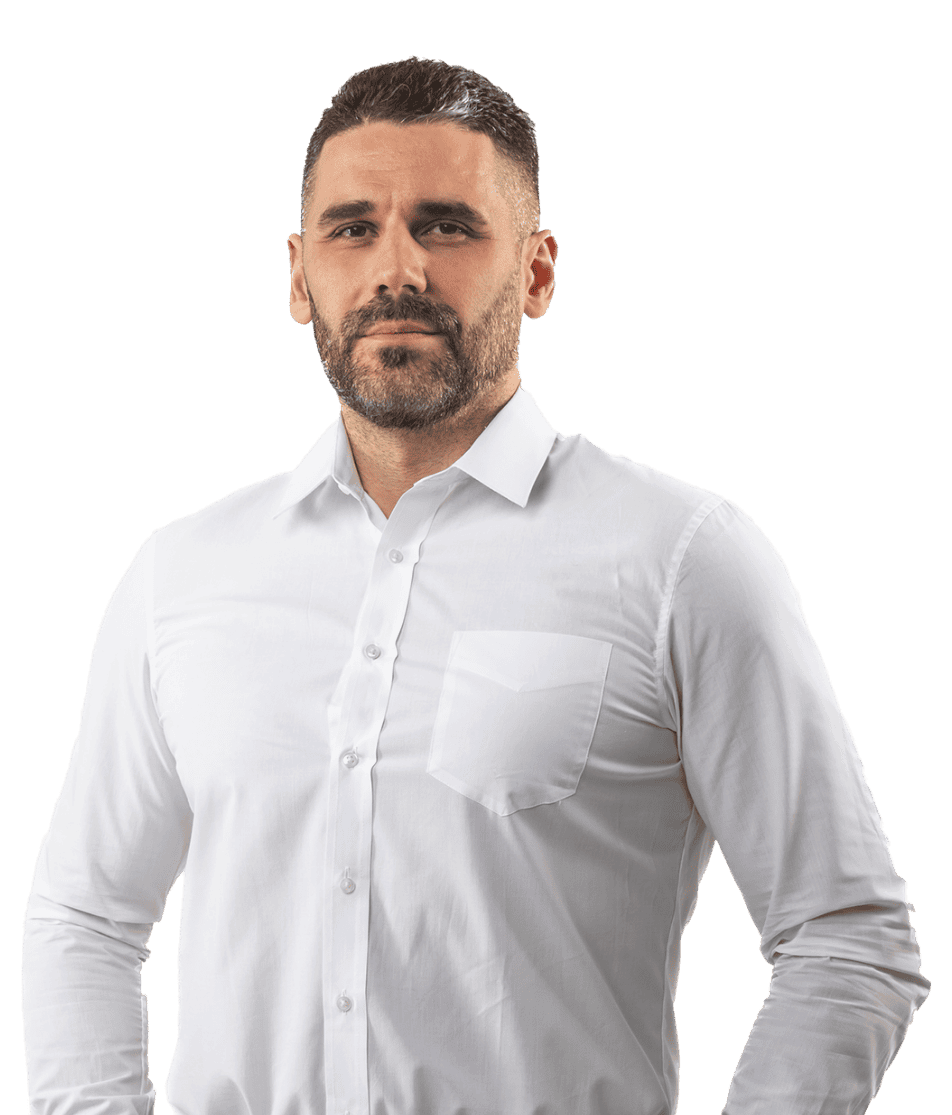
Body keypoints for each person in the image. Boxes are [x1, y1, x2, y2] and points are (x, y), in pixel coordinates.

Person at [22, 56, 929, 1115]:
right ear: (299, 276)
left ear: (536, 272)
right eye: (352, 228)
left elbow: (845, 934)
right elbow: (85, 915)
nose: (396, 268)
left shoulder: (682, 557)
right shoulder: (182, 572)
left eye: (447, 226)